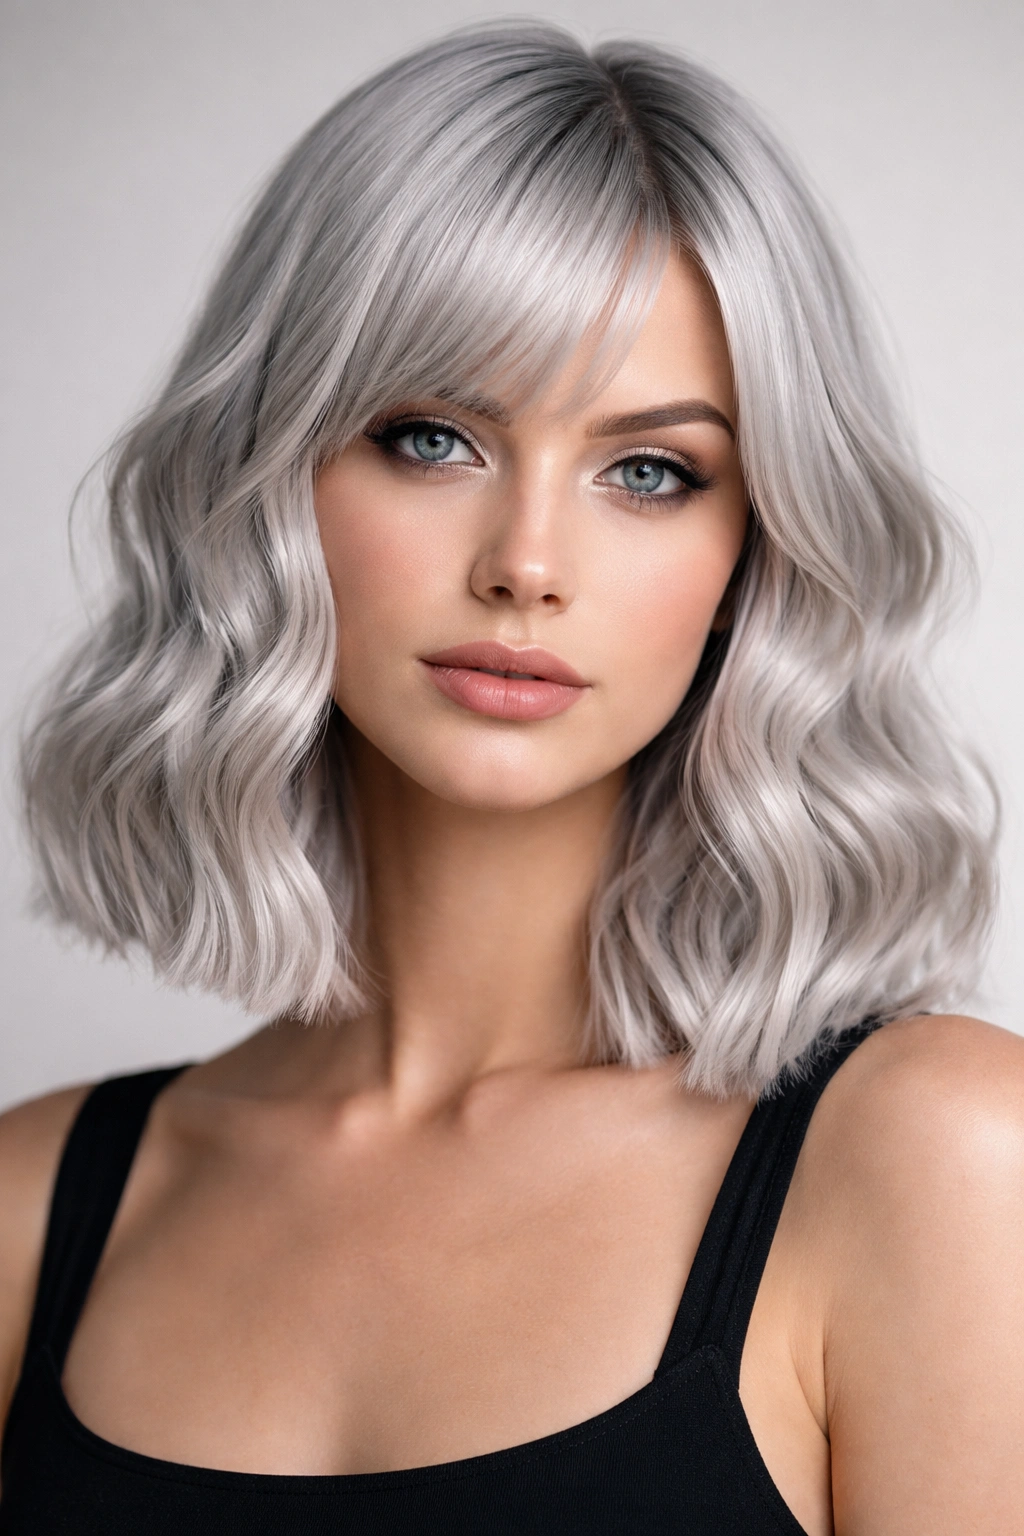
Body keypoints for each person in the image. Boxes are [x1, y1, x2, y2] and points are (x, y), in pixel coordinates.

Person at [0, 21, 1020, 1534]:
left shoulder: (940, 1155)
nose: (528, 565)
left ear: (757, 554)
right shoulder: (30, 1208)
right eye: (431, 438)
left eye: (652, 472)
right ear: (267, 477)